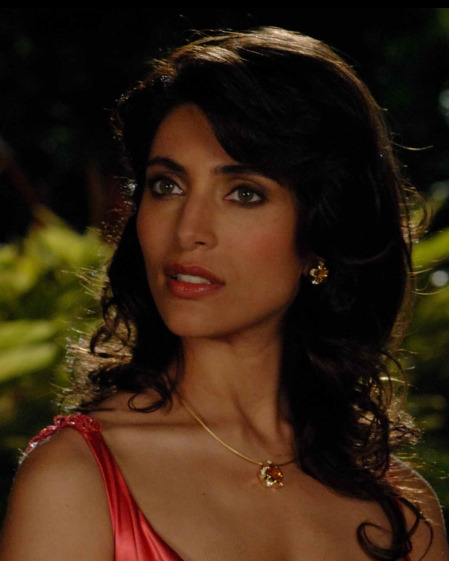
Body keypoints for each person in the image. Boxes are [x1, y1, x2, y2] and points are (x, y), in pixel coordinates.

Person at [0, 27, 448, 561]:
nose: (189, 229)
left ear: (320, 233)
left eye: (244, 194)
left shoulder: (404, 512)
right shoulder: (73, 479)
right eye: (167, 186)